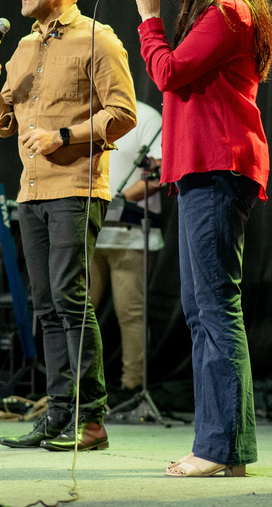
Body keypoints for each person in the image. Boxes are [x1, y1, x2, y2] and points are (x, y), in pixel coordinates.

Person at [121, 0, 272, 477]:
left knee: (213, 310)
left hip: (218, 170)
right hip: (202, 172)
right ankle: (227, 448)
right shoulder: (223, 12)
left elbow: (169, 74)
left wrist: (148, 21)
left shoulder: (228, 11)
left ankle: (218, 448)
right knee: (204, 309)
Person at [0, 0, 137, 452]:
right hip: (33, 191)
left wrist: (63, 135)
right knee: (45, 306)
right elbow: (3, 122)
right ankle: (57, 413)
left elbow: (123, 113)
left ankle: (91, 419)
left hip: (76, 185)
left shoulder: (98, 39)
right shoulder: (21, 47)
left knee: (69, 298)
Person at [88, 98, 163, 405]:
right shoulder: (88, 118)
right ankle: (85, 387)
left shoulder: (145, 117)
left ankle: (132, 389)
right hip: (91, 234)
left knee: (129, 312)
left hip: (130, 236)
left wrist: (116, 202)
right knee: (79, 311)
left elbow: (159, 174)